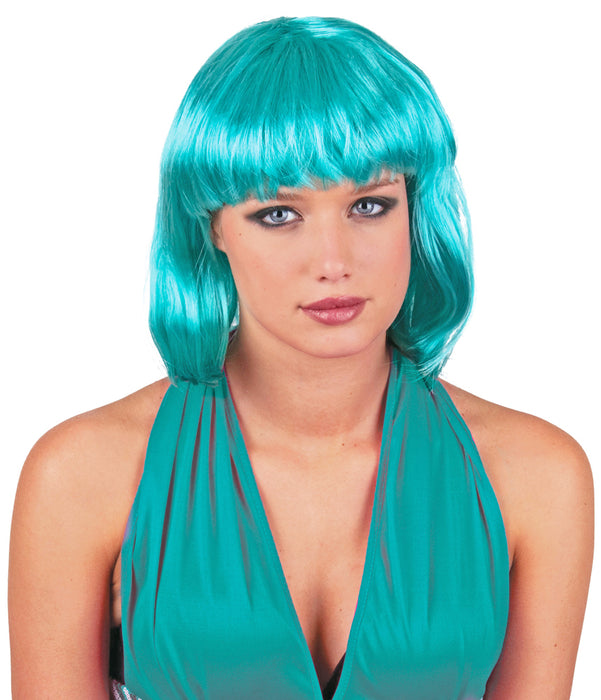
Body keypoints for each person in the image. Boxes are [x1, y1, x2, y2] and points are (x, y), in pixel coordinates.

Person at [8, 16, 593, 700]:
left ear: (415, 210)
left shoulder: (536, 479)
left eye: (369, 205)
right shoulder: (83, 478)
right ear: (211, 226)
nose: (333, 262)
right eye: (278, 215)